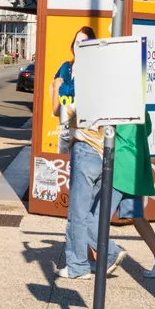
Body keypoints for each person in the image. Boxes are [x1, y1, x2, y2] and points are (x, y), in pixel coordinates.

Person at [52, 27, 121, 281]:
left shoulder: (85, 74)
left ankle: (80, 265)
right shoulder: (92, 72)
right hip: (101, 148)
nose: (78, 47)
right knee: (90, 215)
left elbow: (63, 111)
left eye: (84, 43)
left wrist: (59, 99)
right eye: (76, 42)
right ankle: (109, 254)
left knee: (77, 214)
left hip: (86, 145)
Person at [110, 111, 155, 279]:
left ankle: (102, 257)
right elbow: (148, 130)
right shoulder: (141, 108)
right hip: (135, 164)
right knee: (137, 217)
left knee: (98, 217)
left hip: (119, 165)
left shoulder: (115, 104)